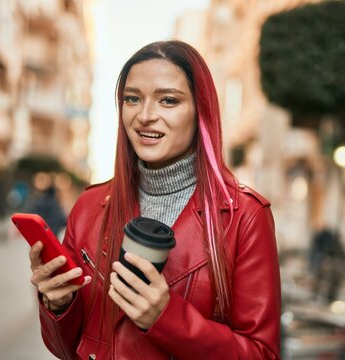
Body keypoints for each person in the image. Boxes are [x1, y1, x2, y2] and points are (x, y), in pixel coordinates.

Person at [28, 40, 281, 359]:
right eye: (132, 98)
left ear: (200, 111)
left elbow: (262, 353)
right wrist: (58, 305)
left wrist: (167, 318)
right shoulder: (90, 206)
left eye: (168, 101)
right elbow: (68, 350)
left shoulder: (245, 215)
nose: (145, 115)